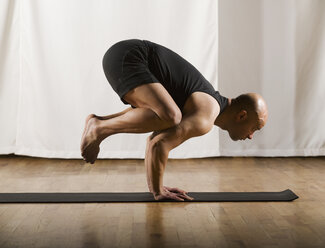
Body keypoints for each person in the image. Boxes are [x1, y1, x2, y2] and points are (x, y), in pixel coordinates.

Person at [80, 39, 268, 201]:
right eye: (255, 128)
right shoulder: (206, 116)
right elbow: (159, 144)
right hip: (128, 57)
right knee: (171, 115)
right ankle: (98, 127)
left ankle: (99, 123)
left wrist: (156, 188)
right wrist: (158, 191)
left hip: (123, 54)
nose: (251, 136)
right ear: (242, 115)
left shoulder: (207, 105)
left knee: (167, 116)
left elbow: (154, 140)